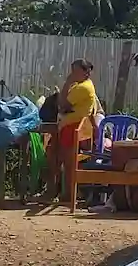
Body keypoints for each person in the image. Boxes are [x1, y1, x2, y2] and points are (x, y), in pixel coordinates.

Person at [42, 59, 98, 201]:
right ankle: (56, 191)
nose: (72, 74)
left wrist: (67, 82)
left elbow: (62, 104)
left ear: (85, 72)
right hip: (70, 125)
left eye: (75, 71)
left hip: (72, 127)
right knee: (52, 153)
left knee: (62, 160)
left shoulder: (82, 87)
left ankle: (64, 193)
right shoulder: (81, 85)